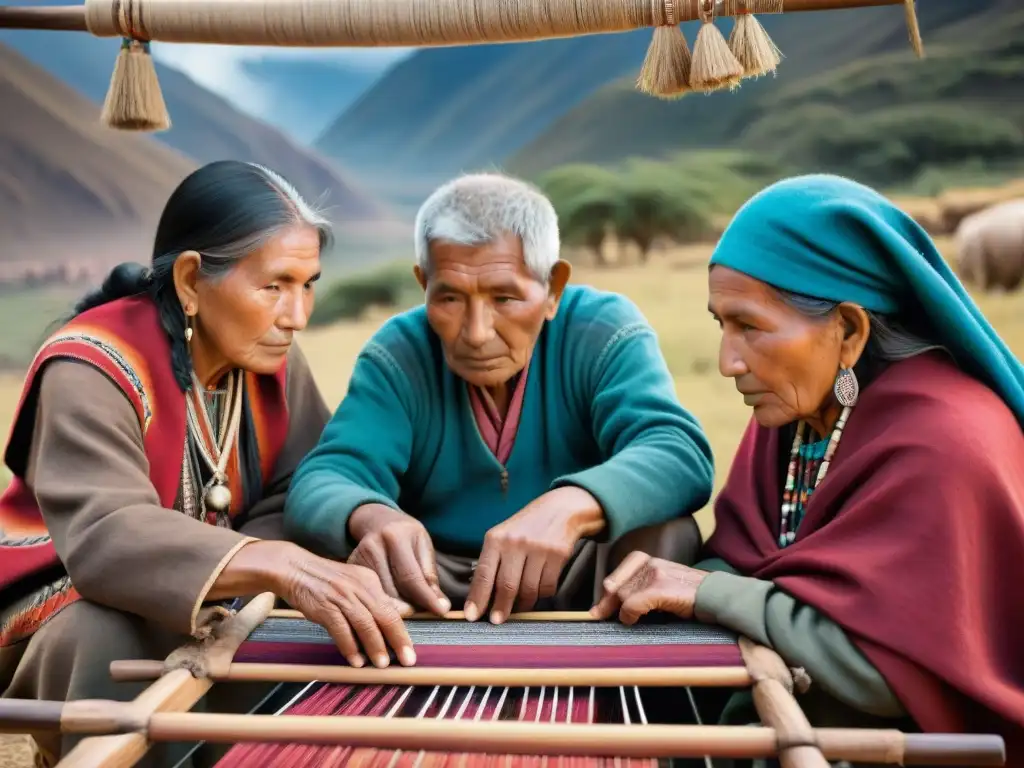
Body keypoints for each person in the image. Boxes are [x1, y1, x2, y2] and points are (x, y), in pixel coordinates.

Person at [592, 174, 1024, 759]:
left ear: (847, 332)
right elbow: (746, 554)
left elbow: (883, 669)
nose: (727, 362)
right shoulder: (803, 416)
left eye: (750, 327)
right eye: (722, 324)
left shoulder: (946, 445)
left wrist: (709, 592)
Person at [0, 161, 415, 764]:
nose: (297, 315)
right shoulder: (91, 366)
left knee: (294, 630)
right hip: (62, 593)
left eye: (309, 283)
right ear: (192, 281)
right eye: (275, 286)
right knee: (103, 636)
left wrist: (308, 548)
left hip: (210, 595)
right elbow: (105, 536)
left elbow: (298, 485)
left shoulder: (270, 360)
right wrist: (272, 564)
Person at [284, 172, 715, 624]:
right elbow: (324, 479)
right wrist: (371, 516)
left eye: (505, 297)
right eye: (449, 298)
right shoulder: (400, 352)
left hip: (579, 576)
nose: (475, 332)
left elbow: (677, 451)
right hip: (435, 588)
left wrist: (567, 508)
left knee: (668, 535)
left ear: (552, 288)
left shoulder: (603, 330)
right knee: (355, 554)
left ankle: (631, 689)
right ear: (422, 283)